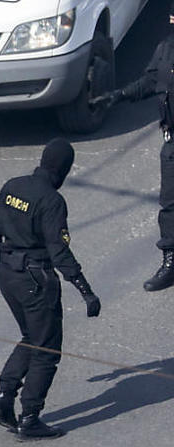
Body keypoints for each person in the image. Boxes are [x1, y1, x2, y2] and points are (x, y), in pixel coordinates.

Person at [0, 139, 101, 441]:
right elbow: (59, 253)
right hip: (36, 280)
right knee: (47, 350)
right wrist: (85, 290)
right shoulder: (51, 201)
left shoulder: (13, 186)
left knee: (32, 337)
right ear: (64, 169)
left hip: (8, 274)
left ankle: (4, 397)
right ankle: (30, 417)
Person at [92, 4, 174, 291]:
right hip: (172, 143)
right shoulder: (167, 47)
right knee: (170, 204)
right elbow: (151, 80)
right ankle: (170, 261)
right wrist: (118, 96)